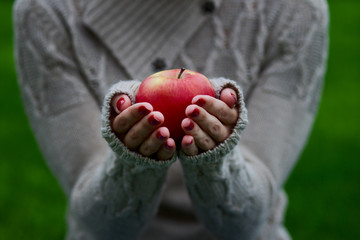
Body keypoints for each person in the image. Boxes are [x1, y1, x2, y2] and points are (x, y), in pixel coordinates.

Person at [13, 0, 329, 239]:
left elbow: (244, 222)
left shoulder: (295, 10)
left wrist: (214, 161)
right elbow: (102, 224)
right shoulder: (46, 11)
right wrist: (133, 162)